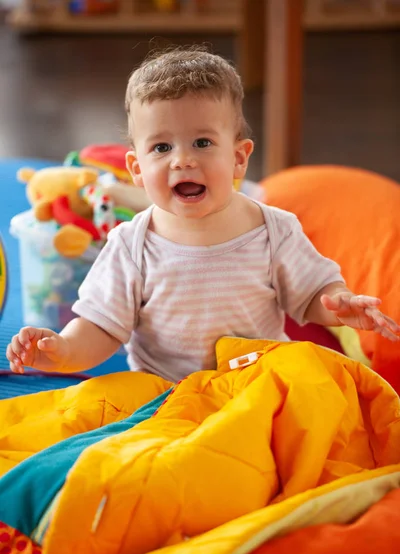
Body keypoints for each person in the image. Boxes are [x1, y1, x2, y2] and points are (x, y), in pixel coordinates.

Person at [6, 48, 400, 383]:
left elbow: (311, 293)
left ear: (239, 157)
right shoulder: (130, 245)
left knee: (330, 398)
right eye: (161, 147)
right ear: (137, 169)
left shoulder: (274, 228)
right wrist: (60, 351)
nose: (183, 160)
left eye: (202, 142)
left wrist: (340, 304)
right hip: (168, 398)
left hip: (259, 385)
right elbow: (100, 327)